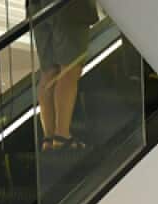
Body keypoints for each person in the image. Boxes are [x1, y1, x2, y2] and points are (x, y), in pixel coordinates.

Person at [27, 0, 96, 151]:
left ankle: (49, 137)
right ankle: (62, 135)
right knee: (69, 70)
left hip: (36, 5)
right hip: (68, 7)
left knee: (48, 72)